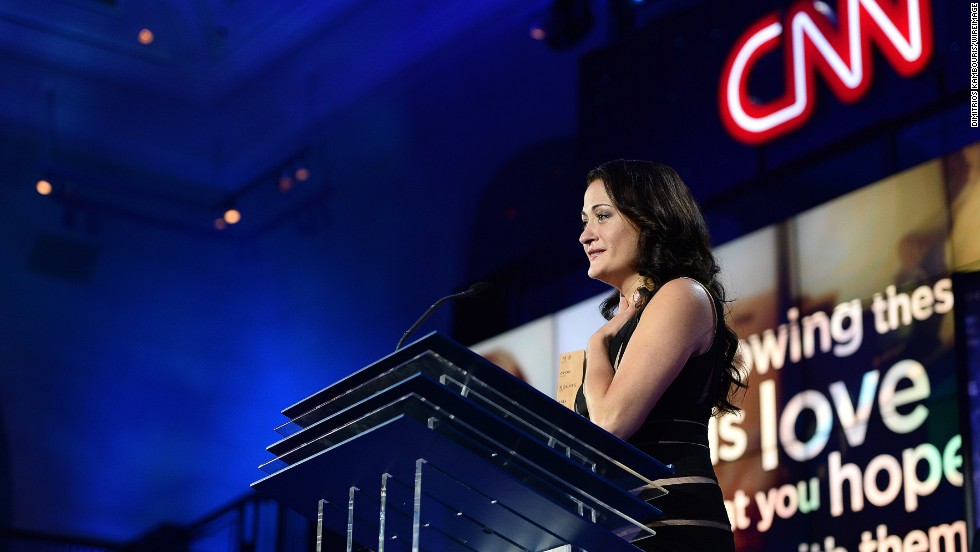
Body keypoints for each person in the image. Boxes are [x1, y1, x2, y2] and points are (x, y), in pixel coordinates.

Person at [574, 159, 745, 551]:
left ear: (650, 219)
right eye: (584, 221)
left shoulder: (682, 294)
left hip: (672, 529)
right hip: (620, 531)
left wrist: (596, 344)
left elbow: (609, 424)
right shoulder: (622, 326)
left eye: (603, 216)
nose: (586, 235)